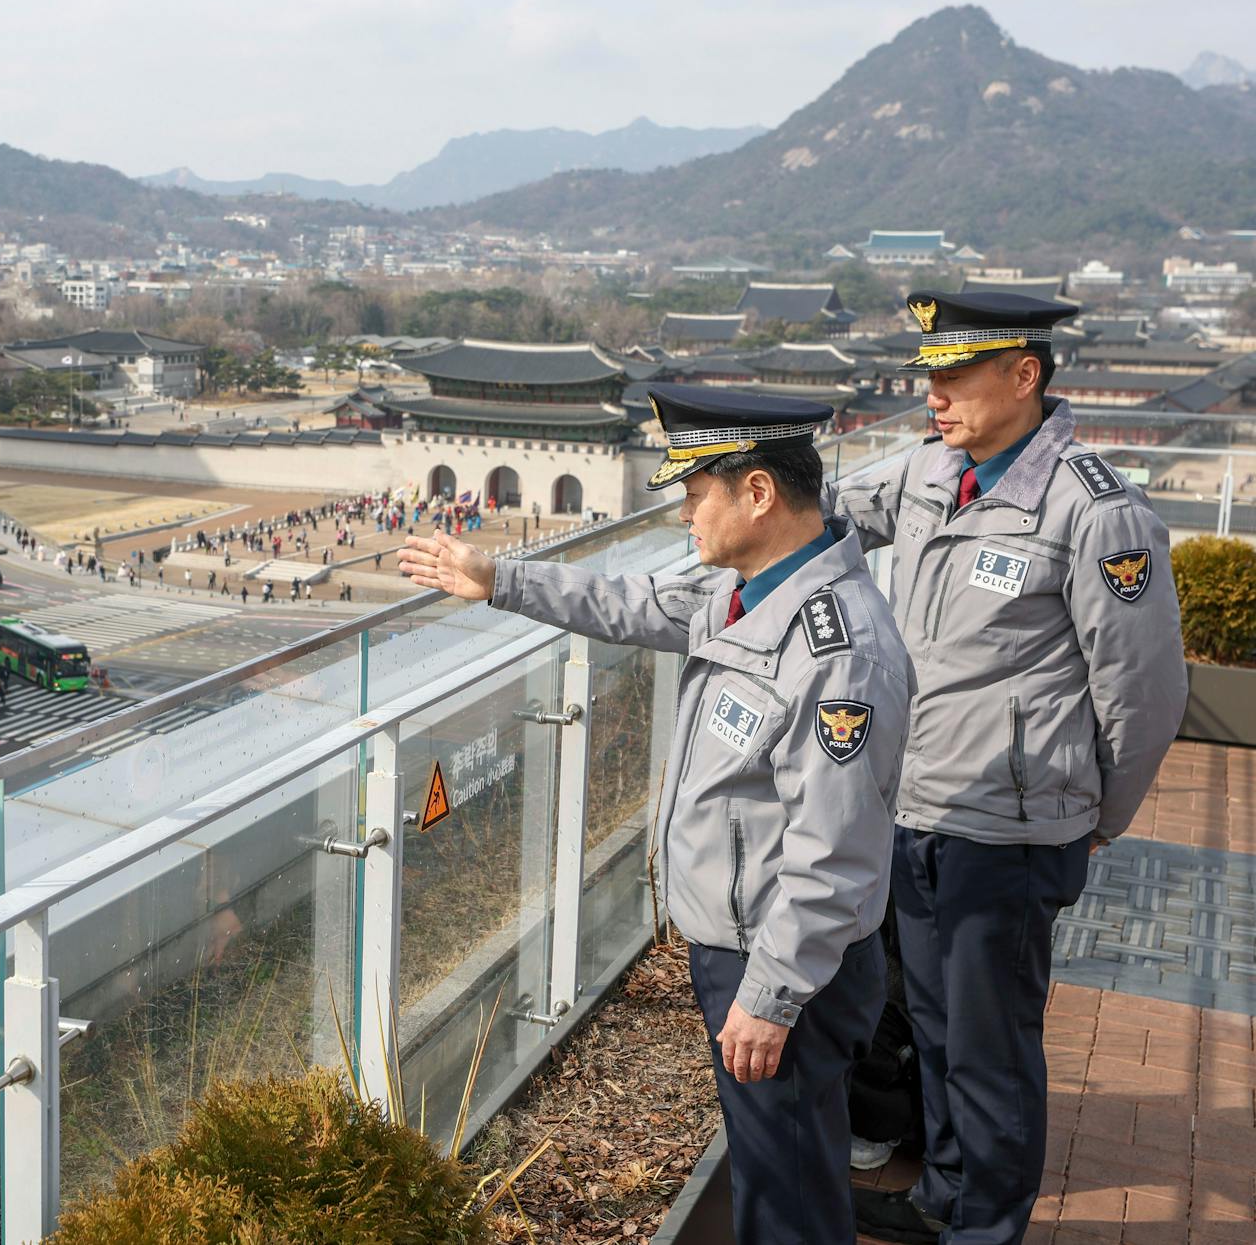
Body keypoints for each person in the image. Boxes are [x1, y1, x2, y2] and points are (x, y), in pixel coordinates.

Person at [401, 385, 914, 1245]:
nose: (683, 513)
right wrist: (500, 580)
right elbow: (635, 605)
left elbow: (836, 853)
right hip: (747, 946)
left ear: (757, 492)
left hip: (781, 959)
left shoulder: (837, 650)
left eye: (693, 492)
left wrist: (772, 994)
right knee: (774, 1170)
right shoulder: (753, 593)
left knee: (787, 1189)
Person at [837, 293, 1186, 1245]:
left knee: (991, 1051)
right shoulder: (926, 474)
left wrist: (1093, 814)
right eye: (929, 378)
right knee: (944, 1033)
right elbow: (819, 510)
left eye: (953, 377)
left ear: (1024, 376)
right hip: (920, 807)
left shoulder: (1094, 510)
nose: (933, 397)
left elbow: (1145, 691)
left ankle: (985, 1228)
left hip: (1012, 828)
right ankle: (943, 1196)